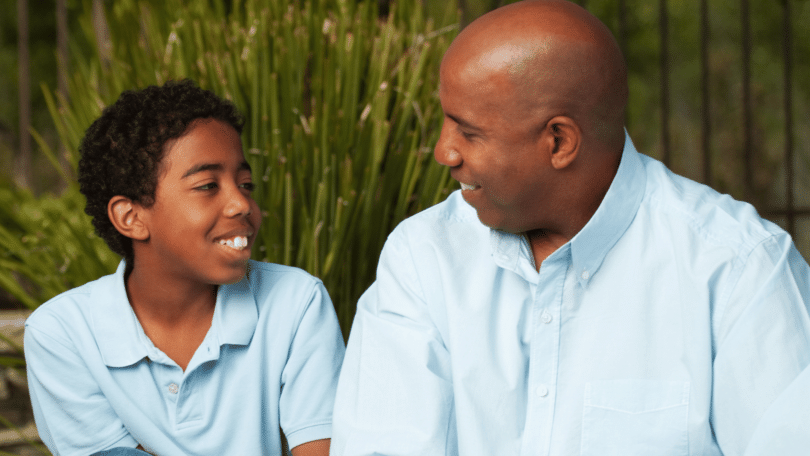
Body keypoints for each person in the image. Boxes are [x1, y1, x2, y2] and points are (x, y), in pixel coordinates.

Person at [331, 1, 810, 454]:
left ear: (559, 141)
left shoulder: (742, 269)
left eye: (468, 132)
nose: (444, 152)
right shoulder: (423, 257)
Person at [24, 80, 345, 456]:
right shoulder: (63, 333)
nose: (241, 203)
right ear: (131, 217)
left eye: (245, 184)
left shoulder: (296, 301)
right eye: (208, 185)